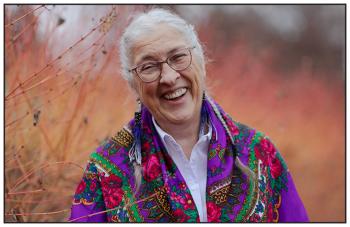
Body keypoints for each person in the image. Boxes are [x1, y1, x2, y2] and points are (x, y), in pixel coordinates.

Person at [69, 8, 309, 223]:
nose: (169, 77)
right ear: (133, 84)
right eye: (149, 67)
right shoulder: (106, 169)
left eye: (178, 57)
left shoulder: (259, 153)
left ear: (201, 61)